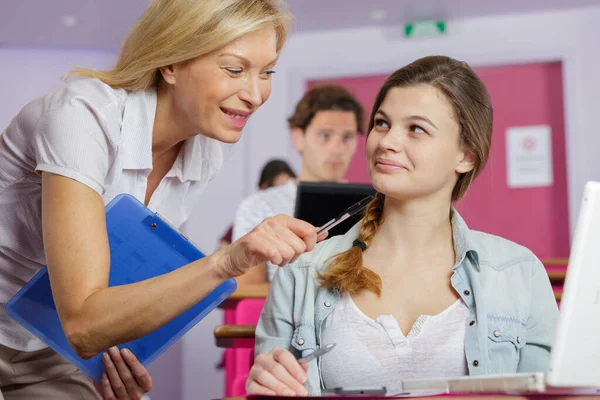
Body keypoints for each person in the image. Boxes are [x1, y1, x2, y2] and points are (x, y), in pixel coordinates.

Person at [0, 1, 325, 399]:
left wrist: (110, 358)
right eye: (234, 69)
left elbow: (113, 289)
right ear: (170, 63)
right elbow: (84, 322)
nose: (256, 94)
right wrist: (226, 262)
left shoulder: (209, 144)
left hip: (48, 345)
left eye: (268, 72)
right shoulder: (83, 116)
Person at [246, 56, 559, 397]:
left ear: (466, 155)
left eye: (416, 128)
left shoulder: (520, 273)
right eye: (382, 123)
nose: (387, 142)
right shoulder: (301, 273)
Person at [232, 83, 365, 283]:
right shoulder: (258, 206)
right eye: (325, 135)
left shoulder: (371, 206)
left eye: (347, 137)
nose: (337, 149)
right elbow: (246, 294)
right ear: (298, 137)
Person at [219, 159, 296, 249]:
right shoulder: (251, 215)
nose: (281, 196)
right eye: (276, 190)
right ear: (262, 187)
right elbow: (224, 243)